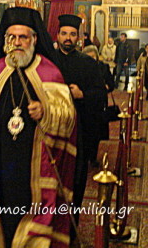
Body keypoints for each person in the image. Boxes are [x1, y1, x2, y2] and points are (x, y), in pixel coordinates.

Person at [0, 7, 76, 247]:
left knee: (27, 211)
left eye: (23, 37)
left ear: (34, 39)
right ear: (5, 40)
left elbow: (68, 118)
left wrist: (46, 112)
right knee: (1, 213)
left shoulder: (50, 73)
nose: (17, 43)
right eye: (12, 37)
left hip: (33, 164)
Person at [53, 14, 106, 233]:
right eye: (64, 33)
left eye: (72, 34)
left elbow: (101, 95)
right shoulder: (47, 61)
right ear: (57, 35)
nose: (68, 38)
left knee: (75, 179)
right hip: (50, 131)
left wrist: (82, 94)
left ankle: (70, 227)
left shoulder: (88, 63)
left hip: (80, 132)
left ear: (79, 38)